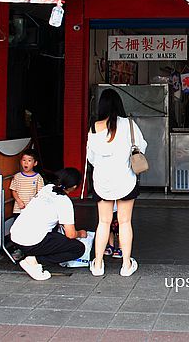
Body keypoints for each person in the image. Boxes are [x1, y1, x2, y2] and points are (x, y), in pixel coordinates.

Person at [87, 88, 147, 277]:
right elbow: (142, 146)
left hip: (102, 182)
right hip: (125, 180)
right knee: (125, 222)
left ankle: (97, 265)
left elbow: (91, 158)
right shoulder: (129, 124)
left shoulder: (94, 127)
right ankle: (126, 265)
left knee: (103, 222)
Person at [10, 168, 89, 281]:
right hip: (32, 243)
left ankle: (30, 255)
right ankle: (34, 260)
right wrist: (81, 233)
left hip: (16, 237)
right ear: (75, 187)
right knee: (78, 248)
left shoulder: (47, 189)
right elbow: (71, 234)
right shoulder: (64, 202)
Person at [9, 149, 44, 214]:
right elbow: (13, 190)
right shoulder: (17, 176)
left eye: (29, 160)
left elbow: (40, 193)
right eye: (24, 160)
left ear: (35, 163)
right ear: (20, 161)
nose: (26, 163)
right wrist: (19, 201)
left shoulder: (38, 177)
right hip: (18, 208)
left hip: (32, 209)